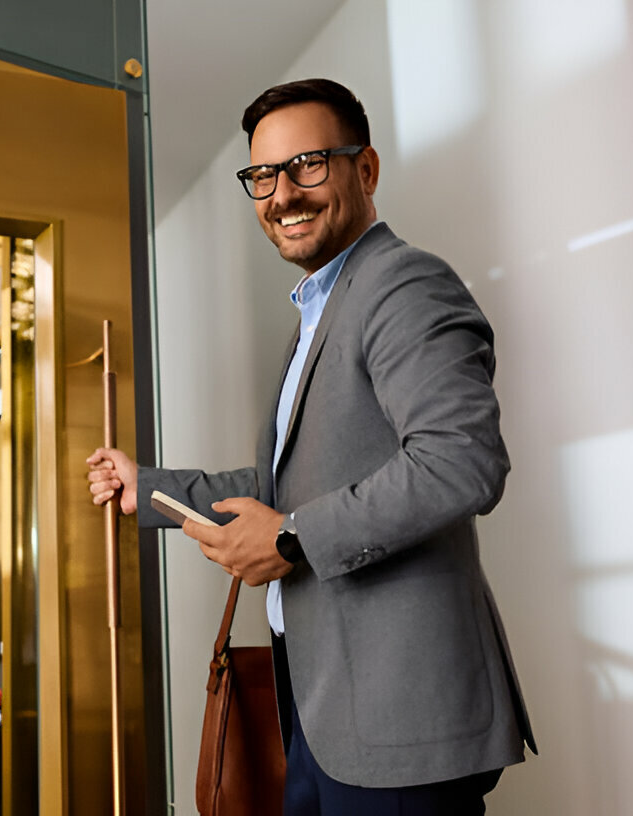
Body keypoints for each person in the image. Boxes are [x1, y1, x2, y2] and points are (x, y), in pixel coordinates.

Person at [87, 78, 535, 815]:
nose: (283, 193)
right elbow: (285, 484)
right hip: (325, 712)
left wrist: (291, 542)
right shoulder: (320, 309)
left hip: (398, 726)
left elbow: (462, 461)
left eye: (309, 165)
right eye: (263, 175)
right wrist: (151, 489)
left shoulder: (404, 285)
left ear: (365, 171)